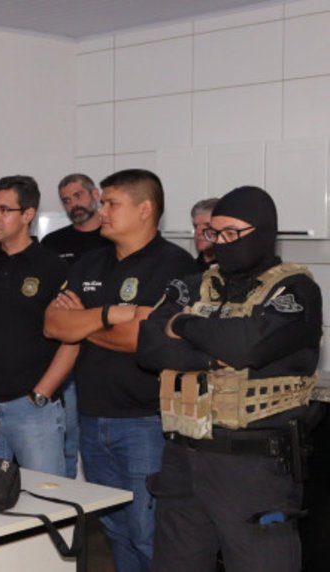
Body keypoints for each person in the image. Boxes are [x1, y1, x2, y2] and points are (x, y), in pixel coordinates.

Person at [138, 186, 322, 572]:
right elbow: (149, 346)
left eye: (231, 233)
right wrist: (212, 354)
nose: (219, 242)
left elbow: (246, 346)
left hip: (253, 469)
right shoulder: (192, 284)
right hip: (182, 460)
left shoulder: (295, 290)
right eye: (213, 232)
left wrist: (182, 323)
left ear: (263, 231)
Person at [44, 169, 197, 572]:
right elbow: (53, 324)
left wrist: (84, 322)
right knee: (114, 530)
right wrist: (110, 315)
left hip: (146, 422)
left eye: (112, 203)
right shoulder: (91, 261)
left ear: (144, 209)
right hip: (93, 417)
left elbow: (141, 339)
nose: (102, 211)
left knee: (148, 534)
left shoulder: (175, 265)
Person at [0, 175, 73, 476]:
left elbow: (72, 340)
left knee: (48, 496)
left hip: (31, 410)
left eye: (3, 210)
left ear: (28, 214)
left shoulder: (53, 267)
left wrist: (41, 394)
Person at [40, 173, 112, 479]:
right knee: (65, 440)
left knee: (100, 443)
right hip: (63, 351)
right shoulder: (53, 243)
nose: (74, 205)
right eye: (66, 200)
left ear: (95, 194)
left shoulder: (111, 239)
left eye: (78, 196)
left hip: (104, 351)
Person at [190, 197, 219, 270]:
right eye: (196, 226)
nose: (198, 232)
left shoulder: (236, 270)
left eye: (208, 226)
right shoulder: (187, 268)